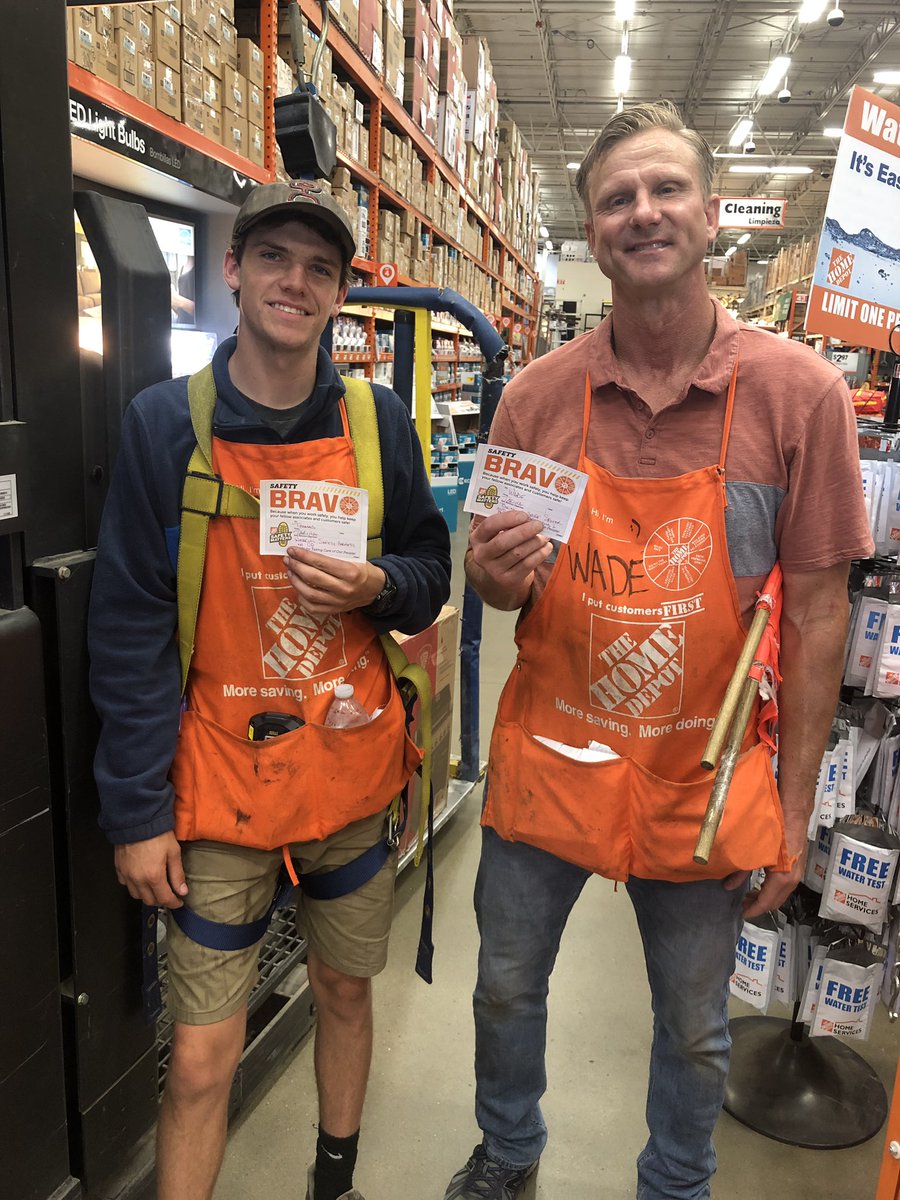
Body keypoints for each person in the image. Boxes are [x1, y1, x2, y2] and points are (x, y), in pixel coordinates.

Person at [444, 100, 873, 1200]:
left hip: (703, 774)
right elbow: (492, 582)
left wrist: (796, 799)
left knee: (691, 1028)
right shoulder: (537, 396)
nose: (643, 212)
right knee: (503, 987)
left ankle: (675, 1183)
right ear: (592, 231)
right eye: (617, 198)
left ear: (709, 210)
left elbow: (822, 611)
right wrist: (491, 574)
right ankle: (509, 1149)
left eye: (664, 188)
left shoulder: (799, 395)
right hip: (553, 755)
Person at [88, 181, 451, 1200]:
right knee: (202, 1056)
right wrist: (136, 814)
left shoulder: (378, 424)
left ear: (341, 296)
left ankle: (333, 1181)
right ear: (234, 271)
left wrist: (381, 585)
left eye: (321, 268)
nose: (296, 280)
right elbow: (126, 632)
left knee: (344, 988)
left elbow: (432, 570)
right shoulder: (166, 427)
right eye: (277, 257)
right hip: (217, 789)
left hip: (351, 772)